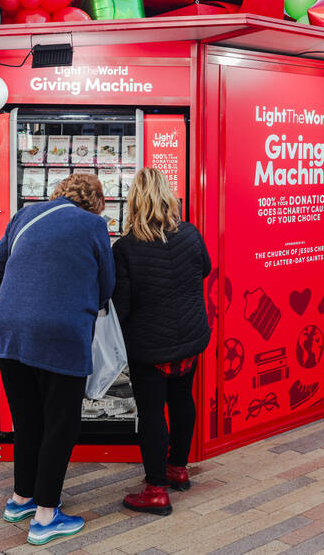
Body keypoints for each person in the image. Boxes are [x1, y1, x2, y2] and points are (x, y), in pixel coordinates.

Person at [0, 173, 114, 546]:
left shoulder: (24, 216)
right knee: (61, 422)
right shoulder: (94, 225)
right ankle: (45, 516)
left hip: (8, 328)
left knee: (28, 420)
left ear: (59, 193)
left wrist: (23, 299)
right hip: (61, 333)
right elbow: (107, 285)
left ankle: (20, 499)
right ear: (96, 202)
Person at [112, 168, 211, 516]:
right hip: (190, 339)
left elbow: (120, 306)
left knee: (152, 414)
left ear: (134, 202)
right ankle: (177, 468)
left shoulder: (125, 248)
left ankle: (155, 489)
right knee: (183, 400)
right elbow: (206, 269)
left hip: (150, 348)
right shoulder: (190, 234)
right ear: (169, 196)